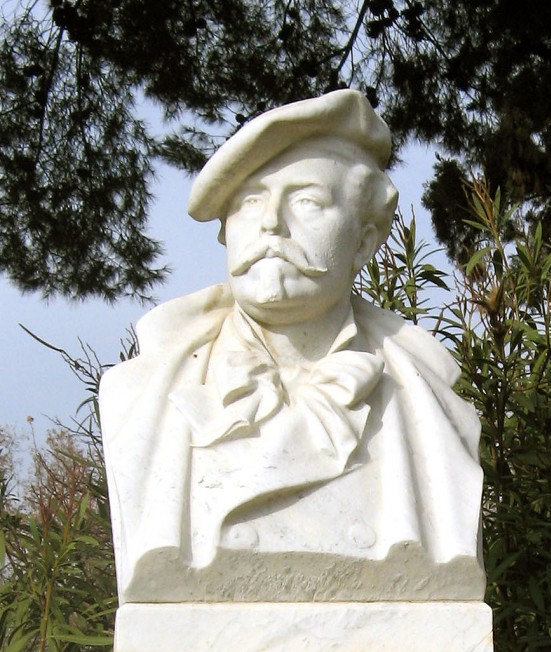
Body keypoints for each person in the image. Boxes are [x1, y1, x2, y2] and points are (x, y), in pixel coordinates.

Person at [99, 90, 485, 604]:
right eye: (249, 202)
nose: (270, 224)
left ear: (365, 242)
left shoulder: (428, 399)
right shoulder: (141, 393)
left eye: (306, 201)